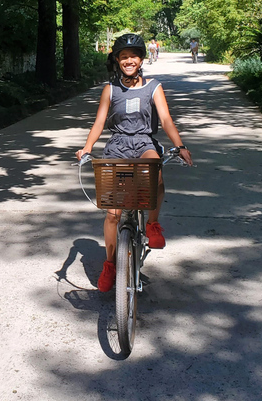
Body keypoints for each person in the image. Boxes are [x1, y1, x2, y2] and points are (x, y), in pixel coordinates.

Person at [75, 33, 193, 292]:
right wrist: (86, 148)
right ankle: (110, 264)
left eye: (134, 56)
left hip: (144, 143)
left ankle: (152, 223)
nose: (129, 61)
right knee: (112, 214)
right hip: (117, 144)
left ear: (141, 59)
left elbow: (165, 120)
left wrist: (180, 145)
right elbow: (98, 122)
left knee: (155, 171)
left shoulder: (153, 86)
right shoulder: (110, 89)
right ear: (117, 61)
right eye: (123, 57)